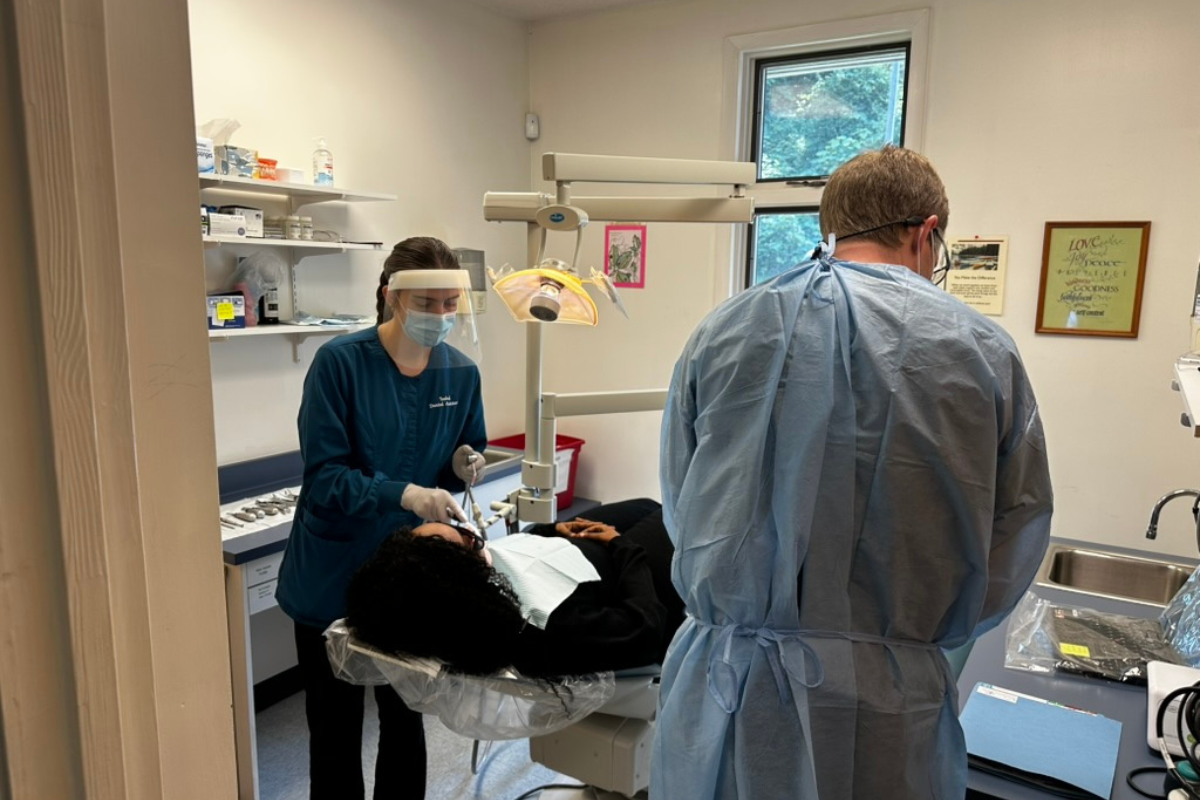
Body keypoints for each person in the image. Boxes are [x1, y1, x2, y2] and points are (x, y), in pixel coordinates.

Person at [652, 146, 1054, 800]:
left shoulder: (723, 328)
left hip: (725, 686)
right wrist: (916, 634)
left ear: (831, 228)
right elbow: (1015, 529)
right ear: (927, 234)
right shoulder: (979, 349)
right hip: (887, 696)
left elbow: (682, 498)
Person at [275, 237, 488, 800]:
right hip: (334, 572)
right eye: (428, 303)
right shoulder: (340, 363)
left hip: (409, 576)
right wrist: (409, 494)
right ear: (392, 296)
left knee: (404, 718)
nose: (440, 317)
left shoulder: (460, 373)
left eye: (450, 305)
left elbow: (464, 446)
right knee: (336, 729)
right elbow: (325, 477)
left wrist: (466, 461)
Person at [345, 499, 684, 678]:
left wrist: (550, 530)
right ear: (459, 583)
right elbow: (645, 627)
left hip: (589, 549)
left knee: (645, 505)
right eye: (470, 542)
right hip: (631, 573)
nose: (473, 536)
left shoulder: (475, 583)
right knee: (673, 513)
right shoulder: (538, 627)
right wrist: (623, 547)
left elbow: (513, 553)